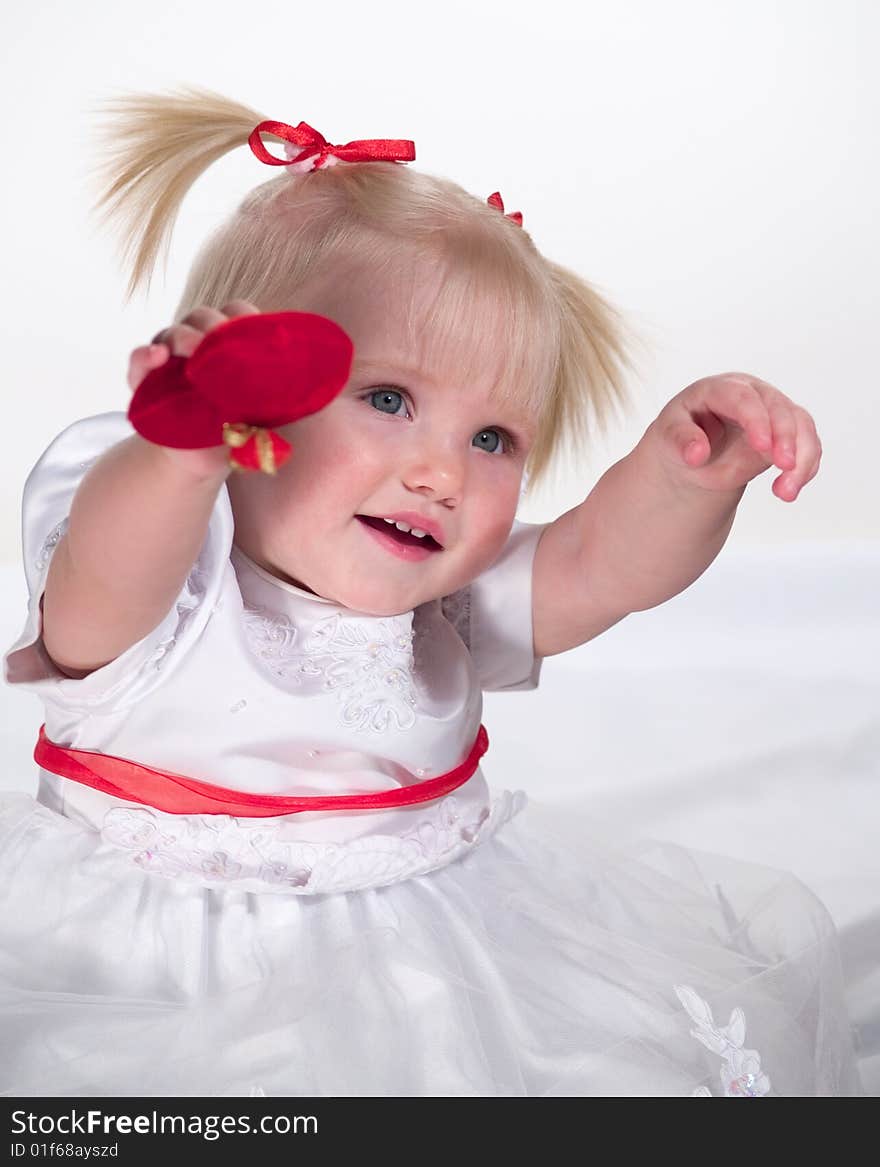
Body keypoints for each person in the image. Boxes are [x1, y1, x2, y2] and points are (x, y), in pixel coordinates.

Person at [0, 85, 861, 1097]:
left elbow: (600, 566)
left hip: (424, 952)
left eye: (491, 438)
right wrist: (178, 455)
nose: (443, 473)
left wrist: (686, 478)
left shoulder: (437, 599)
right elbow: (100, 588)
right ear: (246, 392)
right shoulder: (162, 572)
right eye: (388, 399)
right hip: (162, 965)